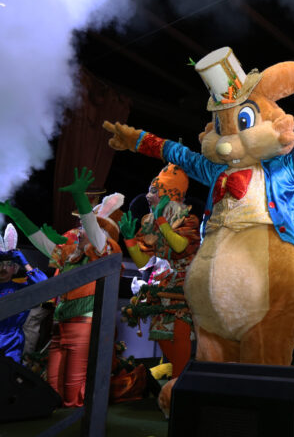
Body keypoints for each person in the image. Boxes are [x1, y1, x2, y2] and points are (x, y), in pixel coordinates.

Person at [0, 167, 123, 407]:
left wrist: (80, 198)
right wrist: (17, 215)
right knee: (53, 390)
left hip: (83, 324)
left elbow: (94, 233)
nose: (79, 231)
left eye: (85, 227)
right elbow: (42, 242)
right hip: (60, 323)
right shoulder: (71, 253)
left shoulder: (105, 250)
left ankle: (82, 422)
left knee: (73, 393)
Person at [120, 164, 200, 380]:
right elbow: (144, 263)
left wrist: (161, 220)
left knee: (180, 334)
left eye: (155, 191)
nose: (149, 196)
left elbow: (180, 247)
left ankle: (178, 383)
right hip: (160, 287)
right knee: (161, 336)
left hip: (183, 287)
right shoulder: (149, 223)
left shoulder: (188, 220)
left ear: (170, 196)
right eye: (150, 190)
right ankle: (181, 378)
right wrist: (130, 240)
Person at [0, 224, 48, 363]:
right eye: (0, 264)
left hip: (12, 343)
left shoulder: (21, 289)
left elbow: (44, 286)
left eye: (9, 264)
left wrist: (25, 262)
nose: (3, 268)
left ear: (15, 268)